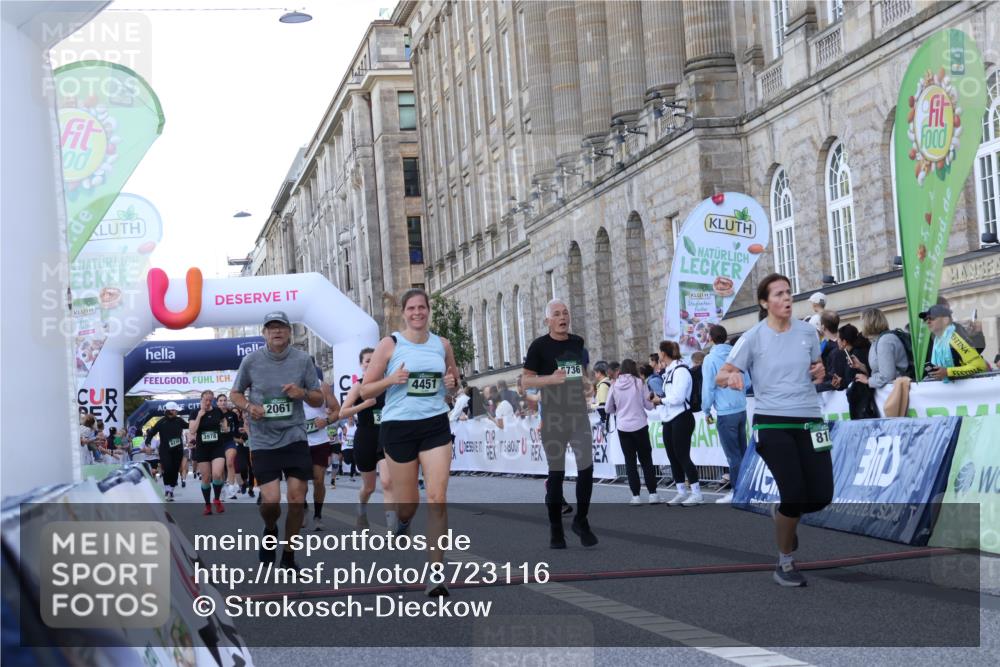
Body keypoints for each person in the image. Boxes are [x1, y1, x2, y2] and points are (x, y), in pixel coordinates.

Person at [715, 273, 831, 587]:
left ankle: (781, 514)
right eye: (778, 294)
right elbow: (721, 375)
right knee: (794, 493)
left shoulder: (808, 332)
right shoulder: (752, 337)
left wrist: (819, 370)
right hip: (772, 422)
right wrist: (732, 377)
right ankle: (785, 562)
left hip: (810, 420)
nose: (786, 298)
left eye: (788, 292)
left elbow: (816, 369)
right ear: (765, 303)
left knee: (821, 496)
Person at [361, 288, 460, 597]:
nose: (417, 313)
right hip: (399, 428)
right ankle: (402, 522)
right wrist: (391, 380)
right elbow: (365, 391)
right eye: (411, 308)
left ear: (428, 310)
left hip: (435, 425)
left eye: (422, 307)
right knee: (408, 506)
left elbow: (454, 383)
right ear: (403, 313)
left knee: (437, 497)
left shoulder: (442, 344)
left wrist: (452, 384)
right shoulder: (389, 344)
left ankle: (436, 575)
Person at [230, 311, 324, 569]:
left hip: (294, 436)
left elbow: (318, 397)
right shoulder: (251, 361)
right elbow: (235, 394)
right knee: (271, 501)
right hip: (263, 440)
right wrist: (249, 407)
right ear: (264, 333)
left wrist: (302, 393)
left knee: (297, 498)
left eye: (281, 327)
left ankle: (289, 556)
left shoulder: (303, 360)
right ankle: (270, 528)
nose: (277, 331)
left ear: (289, 332)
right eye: (271, 328)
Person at [522, 299, 598, 549]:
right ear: (548, 320)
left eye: (565, 313)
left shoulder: (577, 342)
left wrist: (586, 384)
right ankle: (556, 529)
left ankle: (581, 520)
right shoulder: (539, 346)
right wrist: (550, 379)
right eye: (556, 314)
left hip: (578, 414)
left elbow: (579, 372)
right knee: (557, 473)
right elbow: (525, 382)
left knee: (586, 469)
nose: (562, 317)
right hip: (554, 417)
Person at [339, 347, 393, 529]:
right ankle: (361, 510)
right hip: (365, 436)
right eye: (367, 361)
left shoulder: (389, 383)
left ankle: (393, 528)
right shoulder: (359, 386)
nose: (371, 363)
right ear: (361, 365)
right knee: (369, 487)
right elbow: (342, 412)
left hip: (386, 436)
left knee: (387, 483)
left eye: (374, 360)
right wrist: (364, 405)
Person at [701, 325, 750, 504]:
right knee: (742, 452)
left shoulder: (710, 359)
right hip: (741, 408)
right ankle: (746, 489)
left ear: (710, 338)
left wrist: (706, 409)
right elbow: (747, 381)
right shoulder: (735, 354)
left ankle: (737, 492)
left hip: (725, 411)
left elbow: (708, 388)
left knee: (733, 455)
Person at [653, 341, 702, 506]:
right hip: (669, 419)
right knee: (672, 457)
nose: (658, 355)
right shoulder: (668, 371)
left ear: (663, 353)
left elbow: (678, 398)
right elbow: (669, 397)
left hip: (682, 417)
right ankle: (681, 491)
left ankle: (697, 493)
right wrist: (658, 401)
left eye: (659, 351)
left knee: (682, 455)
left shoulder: (681, 371)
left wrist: (660, 400)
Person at [605, 358, 658, 505]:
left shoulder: (614, 385)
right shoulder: (639, 382)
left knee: (630, 462)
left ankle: (635, 496)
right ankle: (653, 494)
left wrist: (618, 410)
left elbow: (608, 408)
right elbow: (648, 405)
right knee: (646, 460)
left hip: (623, 426)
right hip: (640, 425)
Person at [303, 378, 338, 531]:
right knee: (300, 483)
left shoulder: (322, 386)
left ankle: (317, 515)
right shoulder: (291, 383)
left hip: (320, 442)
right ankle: (303, 508)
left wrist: (326, 421)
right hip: (298, 442)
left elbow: (337, 409)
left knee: (318, 480)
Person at [920, 304, 987, 381]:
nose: (928, 321)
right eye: (926, 319)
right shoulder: (937, 340)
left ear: (946, 320)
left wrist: (948, 372)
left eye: (932, 318)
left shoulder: (955, 338)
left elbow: (979, 366)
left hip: (970, 385)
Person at [188, 390, 228, 515]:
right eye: (206, 400)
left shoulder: (217, 411)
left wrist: (225, 426)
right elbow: (192, 430)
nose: (208, 402)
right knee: (206, 478)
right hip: (203, 449)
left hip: (217, 447)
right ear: (201, 399)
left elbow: (224, 420)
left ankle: (217, 499)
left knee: (217, 474)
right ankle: (207, 505)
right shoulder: (195, 413)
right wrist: (200, 415)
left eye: (210, 400)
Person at [856, 308, 911, 388]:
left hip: (896, 390)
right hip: (891, 390)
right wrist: (861, 366)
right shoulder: (877, 340)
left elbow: (887, 376)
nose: (861, 326)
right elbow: (878, 371)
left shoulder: (884, 341)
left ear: (869, 323)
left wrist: (868, 380)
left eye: (862, 322)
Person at [144, 402, 188, 501]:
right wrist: (147, 443)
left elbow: (189, 425)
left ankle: (171, 489)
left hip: (178, 450)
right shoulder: (161, 422)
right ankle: (167, 488)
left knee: (175, 470)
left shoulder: (179, 420)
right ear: (170, 411)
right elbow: (151, 432)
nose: (176, 412)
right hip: (165, 450)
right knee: (167, 468)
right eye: (175, 410)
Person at [816, 310, 847, 392]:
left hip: (836, 395)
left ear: (823, 327)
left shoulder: (835, 350)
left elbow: (833, 381)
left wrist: (813, 388)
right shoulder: (845, 341)